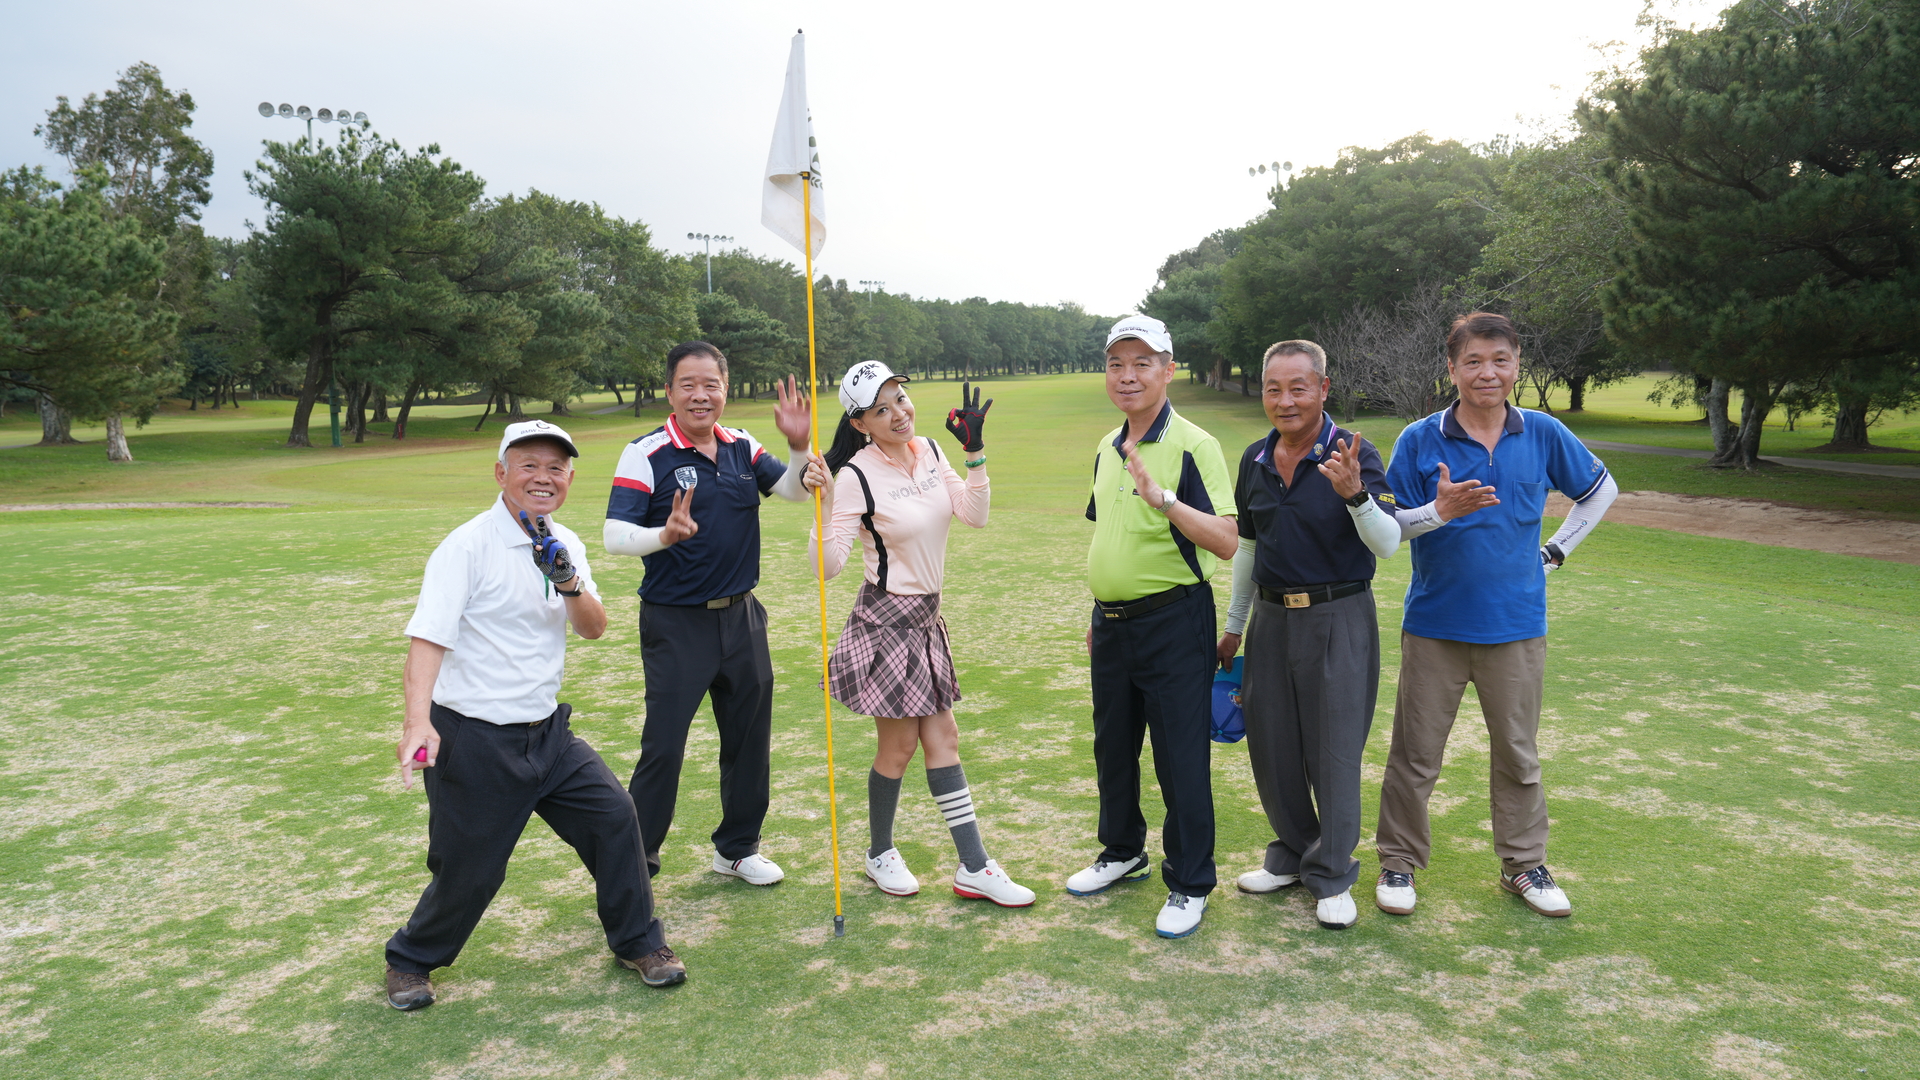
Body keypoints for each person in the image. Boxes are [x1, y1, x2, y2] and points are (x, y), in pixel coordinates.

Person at [385, 420, 684, 1011]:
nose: (543, 477)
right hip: (474, 738)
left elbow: (593, 628)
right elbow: (427, 640)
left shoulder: (563, 542)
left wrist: (567, 579)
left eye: (556, 468)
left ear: (569, 478)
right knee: (470, 868)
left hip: (547, 734)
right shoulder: (466, 547)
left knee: (614, 818)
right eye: (529, 465)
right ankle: (411, 960)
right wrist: (417, 723)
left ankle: (638, 942)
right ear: (501, 473)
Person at [1217, 341, 1498, 931]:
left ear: (1323, 389)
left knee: (1334, 751)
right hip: (1271, 619)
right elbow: (1247, 546)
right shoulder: (1254, 458)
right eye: (1274, 389)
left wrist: (1355, 494)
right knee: (1272, 748)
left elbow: (1387, 542)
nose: (1285, 400)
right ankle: (1294, 856)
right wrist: (1235, 625)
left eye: (1299, 388)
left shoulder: (1355, 452)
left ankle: (1332, 873)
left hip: (1338, 616)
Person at [1374, 312, 1617, 919]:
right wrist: (1438, 511)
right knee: (1415, 755)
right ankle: (1398, 863)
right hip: (1434, 625)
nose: (1488, 373)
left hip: (1516, 625)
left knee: (1517, 752)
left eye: (1500, 360)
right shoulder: (1419, 439)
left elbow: (1600, 490)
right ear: (1452, 368)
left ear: (1516, 365)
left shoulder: (1543, 432)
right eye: (1473, 361)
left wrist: (1555, 551)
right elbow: (1388, 529)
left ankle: (1523, 864)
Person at [805, 362, 1036, 907]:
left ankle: (972, 867)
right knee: (901, 746)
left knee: (942, 739)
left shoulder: (930, 450)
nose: (898, 414)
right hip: (886, 623)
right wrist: (823, 504)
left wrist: (974, 453)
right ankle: (884, 853)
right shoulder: (855, 475)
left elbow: (973, 515)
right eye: (880, 409)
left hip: (927, 621)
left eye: (900, 399)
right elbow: (828, 567)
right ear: (860, 424)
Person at [601, 342, 819, 888]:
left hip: (742, 618)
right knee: (664, 748)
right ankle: (636, 866)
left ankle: (738, 850)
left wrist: (798, 446)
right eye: (688, 385)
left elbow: (794, 491)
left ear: (724, 389)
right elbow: (614, 535)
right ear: (669, 391)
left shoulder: (742, 445)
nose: (700, 396)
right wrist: (663, 535)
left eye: (711, 385)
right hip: (676, 623)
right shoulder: (646, 453)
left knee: (749, 742)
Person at [1068, 314, 1241, 939]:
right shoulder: (1105, 445)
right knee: (1113, 745)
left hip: (1174, 619)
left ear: (1168, 369)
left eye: (1142, 363)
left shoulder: (1196, 445)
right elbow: (1112, 532)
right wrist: (1104, 608)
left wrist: (1165, 499)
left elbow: (1227, 539)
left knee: (1179, 756)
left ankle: (1190, 881)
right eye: (1117, 364)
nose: (1128, 375)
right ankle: (1122, 851)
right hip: (1113, 625)